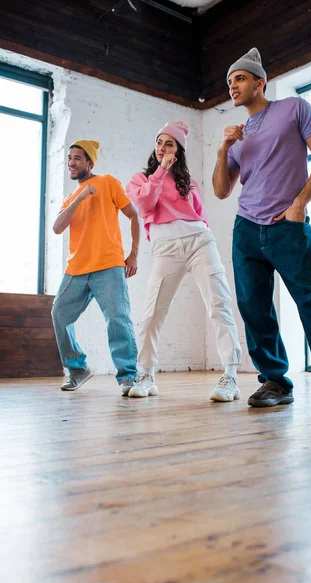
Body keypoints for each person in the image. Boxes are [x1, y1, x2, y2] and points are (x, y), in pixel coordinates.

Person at [212, 48, 311, 414]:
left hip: (288, 226)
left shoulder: (293, 108)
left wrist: (299, 205)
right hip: (246, 229)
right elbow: (221, 190)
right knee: (254, 307)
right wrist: (223, 148)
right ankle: (275, 381)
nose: (233, 85)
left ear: (259, 82)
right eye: (229, 81)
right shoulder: (239, 135)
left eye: (240, 79)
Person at [126, 120, 241, 401]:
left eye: (169, 143)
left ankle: (230, 376)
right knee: (152, 313)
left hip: (200, 241)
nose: (163, 147)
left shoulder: (188, 182)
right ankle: (146, 374)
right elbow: (143, 206)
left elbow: (200, 215)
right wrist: (161, 171)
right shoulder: (140, 180)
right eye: (159, 142)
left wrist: (203, 236)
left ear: (178, 150)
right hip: (166, 249)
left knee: (219, 304)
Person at [52, 140, 139, 396]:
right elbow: (57, 228)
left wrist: (133, 255)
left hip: (109, 266)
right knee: (59, 314)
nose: (72, 162)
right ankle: (77, 368)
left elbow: (133, 215)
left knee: (117, 320)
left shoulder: (109, 182)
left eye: (78, 158)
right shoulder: (71, 198)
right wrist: (80, 196)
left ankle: (128, 378)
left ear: (90, 163)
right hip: (76, 269)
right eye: (70, 157)